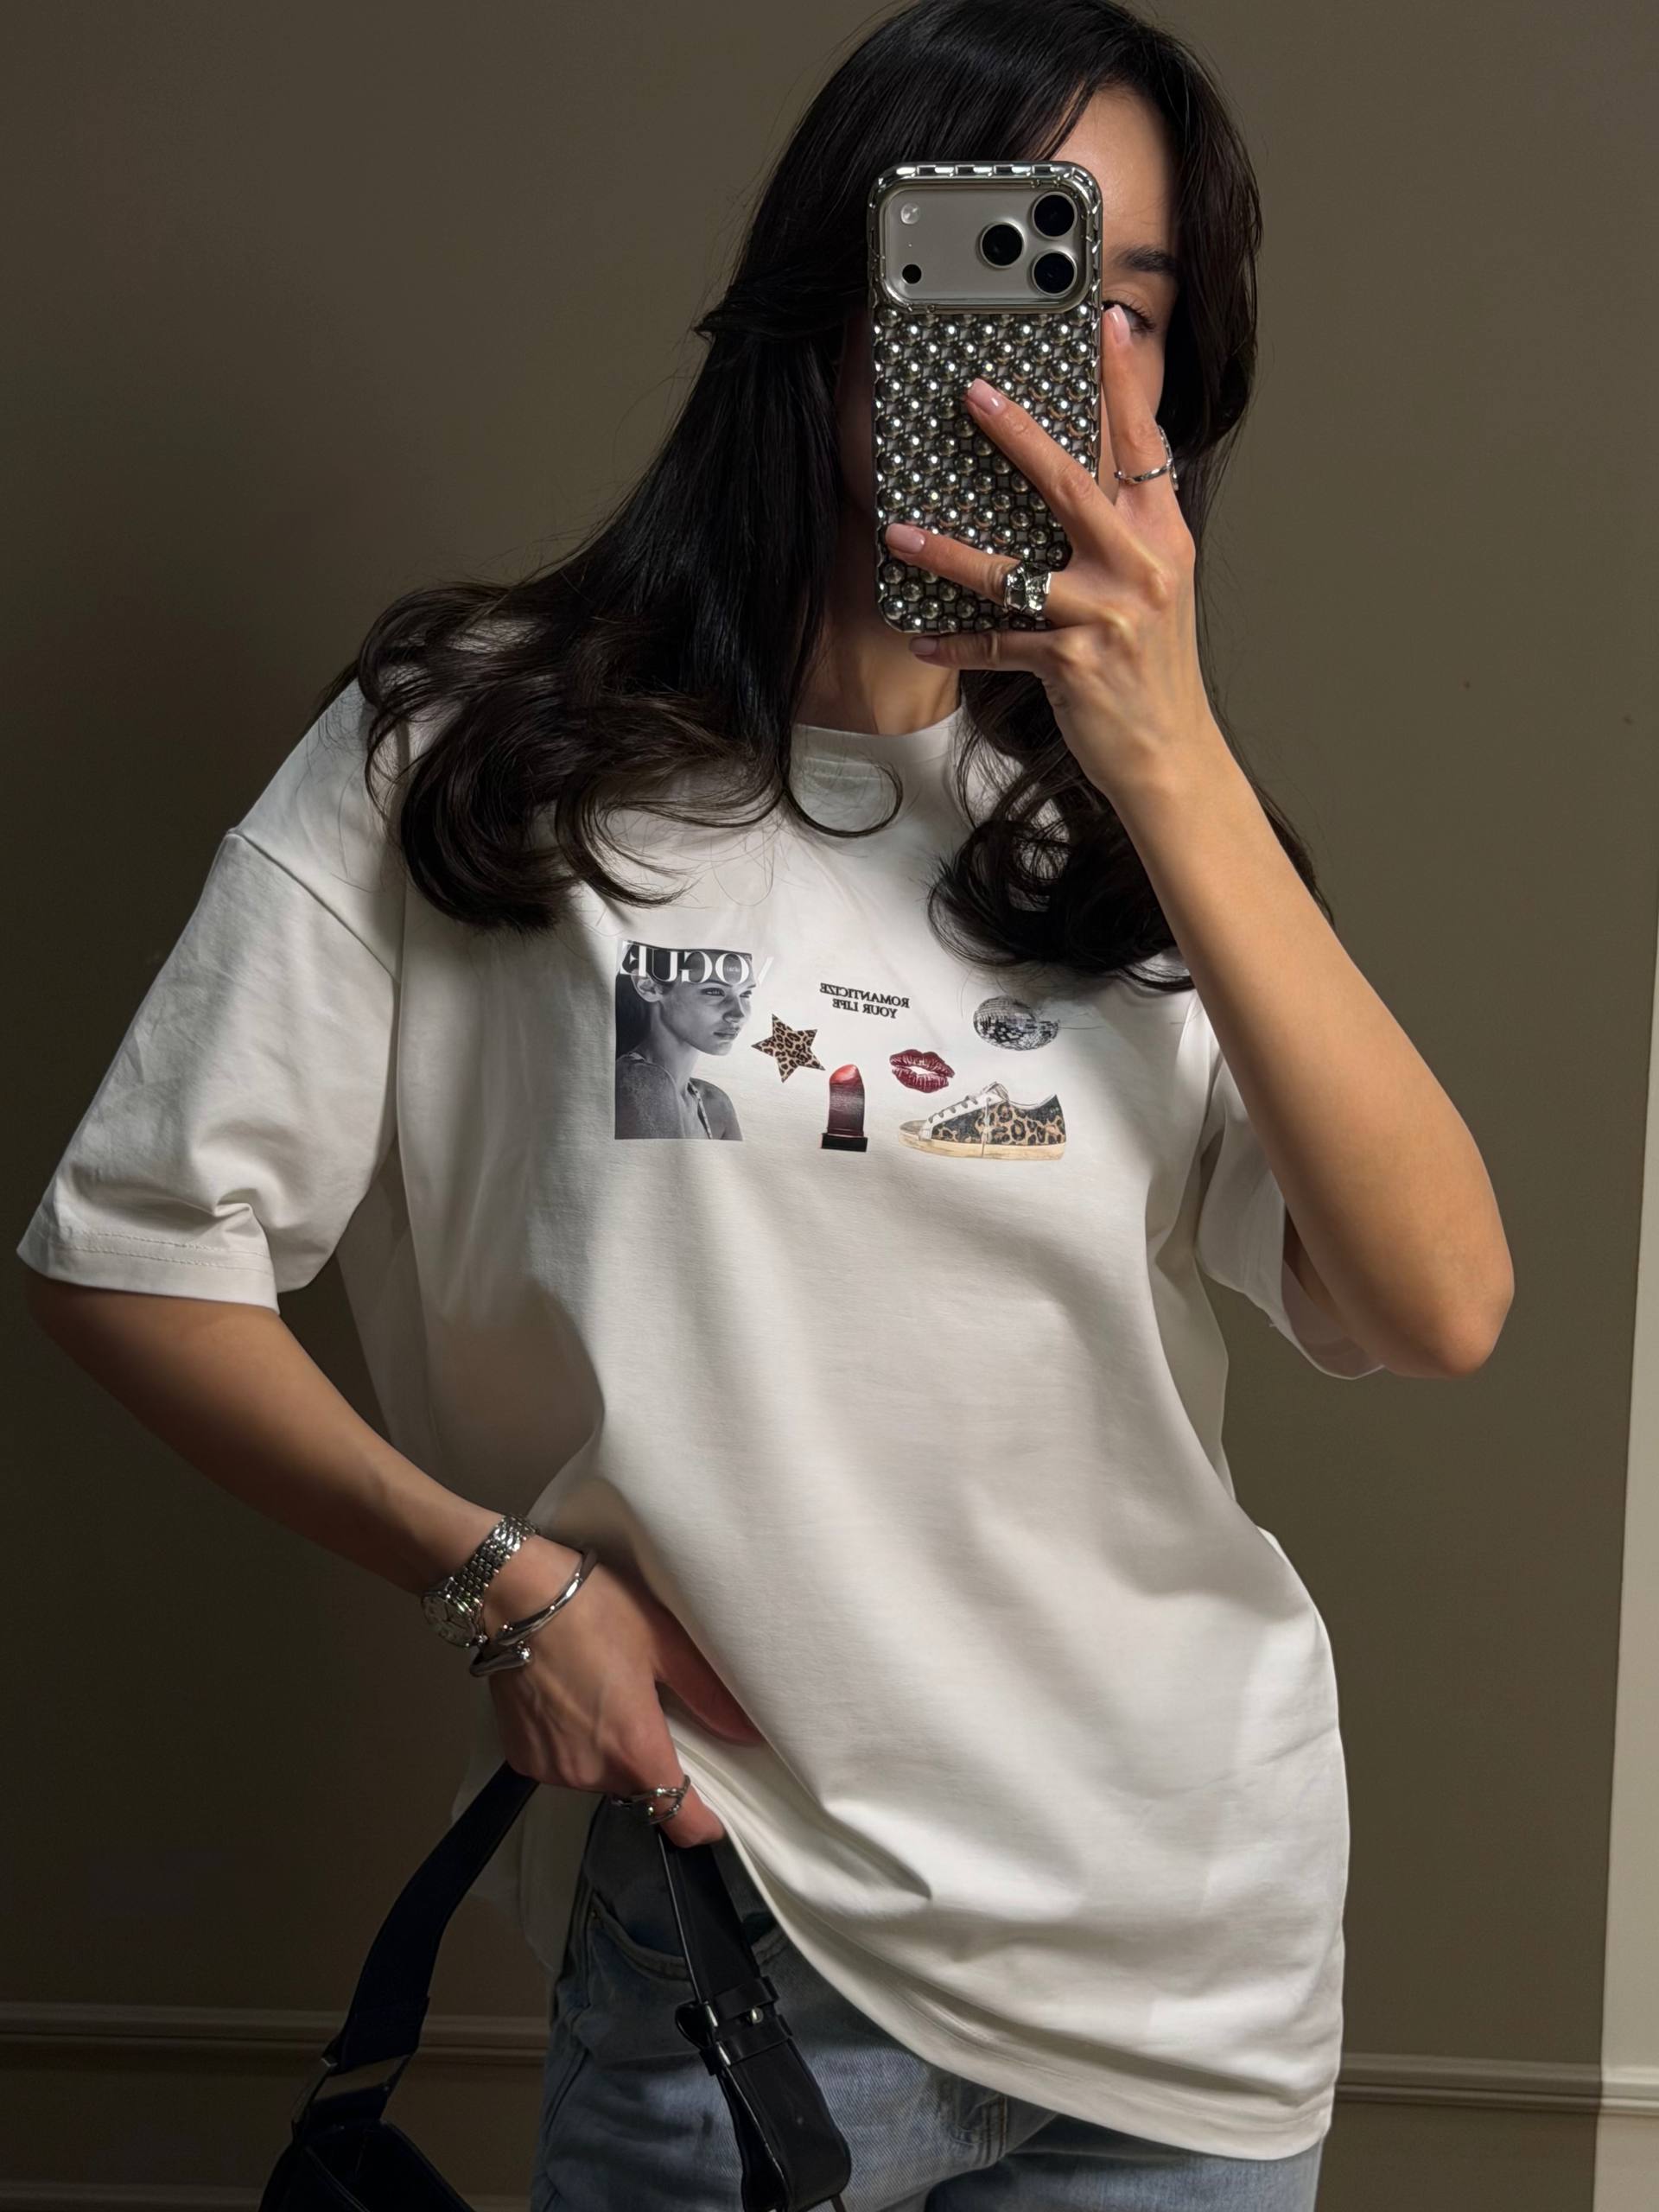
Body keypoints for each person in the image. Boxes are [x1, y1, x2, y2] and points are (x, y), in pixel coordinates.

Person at [16, 1, 1513, 2206]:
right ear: (839, 303)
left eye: (1130, 300)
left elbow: (1438, 1301)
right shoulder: (474, 756)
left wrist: (1170, 753)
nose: (1063, 353)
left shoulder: (1151, 838)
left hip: (1187, 1969)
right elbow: (130, 1253)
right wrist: (493, 1578)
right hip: (734, 1932)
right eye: (1008, 268)